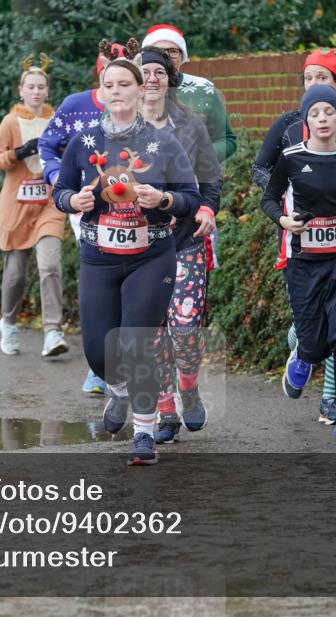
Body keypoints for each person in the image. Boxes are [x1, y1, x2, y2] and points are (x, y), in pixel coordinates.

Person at [52, 39, 201, 465]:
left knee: (137, 342)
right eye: (109, 84)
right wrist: (71, 202)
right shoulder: (83, 144)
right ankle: (115, 389)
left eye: (124, 84)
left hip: (151, 256)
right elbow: (60, 190)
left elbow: (189, 196)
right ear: (103, 92)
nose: (117, 91)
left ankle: (144, 433)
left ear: (140, 90)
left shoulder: (163, 143)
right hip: (98, 256)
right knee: (99, 351)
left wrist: (164, 201)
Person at [251, 48, 336, 424]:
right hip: (300, 230)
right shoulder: (288, 125)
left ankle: (332, 401)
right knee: (312, 324)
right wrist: (287, 196)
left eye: (321, 78)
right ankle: (303, 349)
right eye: (308, 78)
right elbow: (261, 170)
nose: (313, 85)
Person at [138, 46, 222, 443]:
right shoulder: (119, 125)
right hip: (139, 246)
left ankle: (188, 384)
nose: (152, 78)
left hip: (185, 240)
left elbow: (210, 177)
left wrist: (207, 209)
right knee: (152, 331)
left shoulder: (189, 124)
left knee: (184, 329)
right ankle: (166, 409)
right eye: (145, 72)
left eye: (159, 71)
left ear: (170, 79)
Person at [38, 41, 128, 394]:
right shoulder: (75, 105)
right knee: (103, 280)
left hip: (136, 211)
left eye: (123, 68)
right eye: (109, 67)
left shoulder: (144, 110)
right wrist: (59, 180)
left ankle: (117, 366)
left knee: (128, 284)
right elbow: (47, 143)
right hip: (87, 208)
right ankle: (99, 368)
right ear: (99, 69)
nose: (116, 77)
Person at [0, 54, 68, 358]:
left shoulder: (56, 117)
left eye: (41, 87)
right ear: (21, 90)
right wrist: (17, 153)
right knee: (16, 274)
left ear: (47, 90)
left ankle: (52, 332)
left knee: (49, 265)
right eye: (30, 86)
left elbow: (70, 150)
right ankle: (8, 323)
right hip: (17, 204)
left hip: (48, 202)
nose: (36, 92)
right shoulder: (10, 121)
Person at [141, 23, 236, 162]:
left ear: (182, 57)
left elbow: (226, 139)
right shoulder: (129, 87)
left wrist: (200, 158)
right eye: (158, 51)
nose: (166, 56)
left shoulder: (203, 88)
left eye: (173, 51)